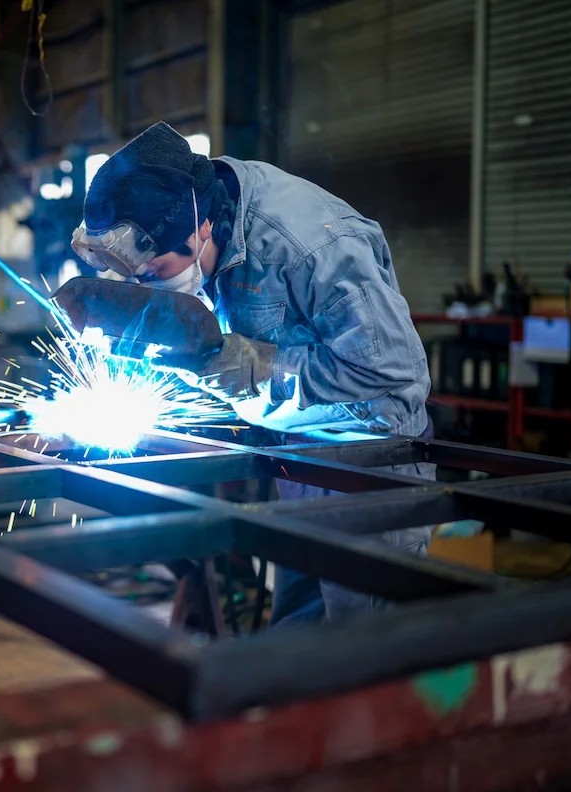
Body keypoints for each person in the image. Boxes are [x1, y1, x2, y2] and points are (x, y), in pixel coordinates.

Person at [69, 121, 434, 626]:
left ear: (199, 230)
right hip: (298, 455)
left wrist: (255, 368)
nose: (151, 286)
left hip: (371, 462)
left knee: (363, 654)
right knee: (298, 638)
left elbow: (390, 369)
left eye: (154, 275)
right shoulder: (200, 210)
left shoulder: (309, 246)